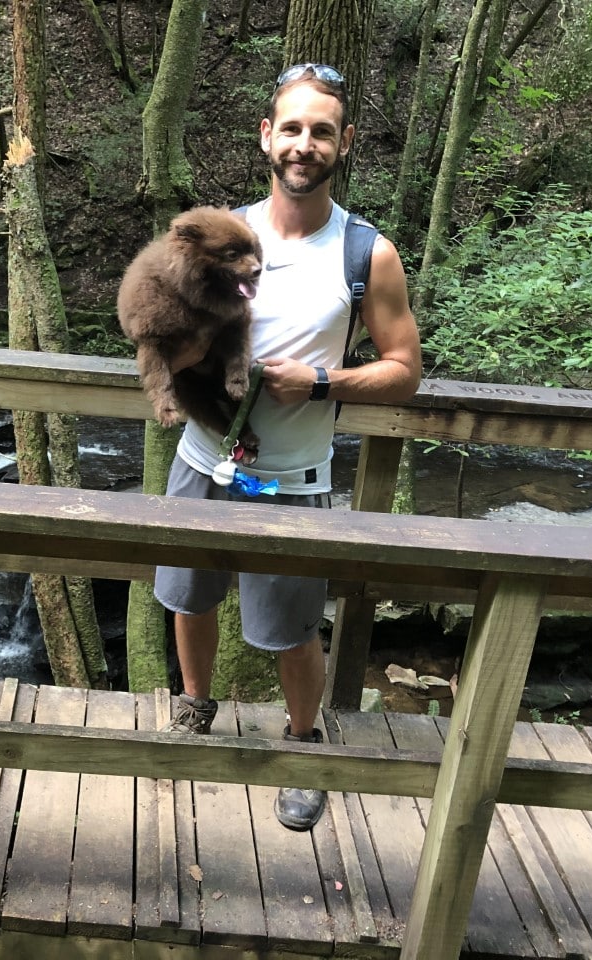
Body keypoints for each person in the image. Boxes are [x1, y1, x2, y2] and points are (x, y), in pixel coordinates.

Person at [154, 63, 422, 831]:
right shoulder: (215, 237)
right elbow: (162, 337)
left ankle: (304, 746)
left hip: (291, 482)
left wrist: (323, 382)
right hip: (204, 462)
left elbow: (405, 371)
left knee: (292, 629)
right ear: (267, 137)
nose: (305, 145)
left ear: (343, 146)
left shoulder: (366, 255)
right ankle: (193, 708)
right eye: (293, 128)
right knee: (186, 595)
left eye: (322, 131)